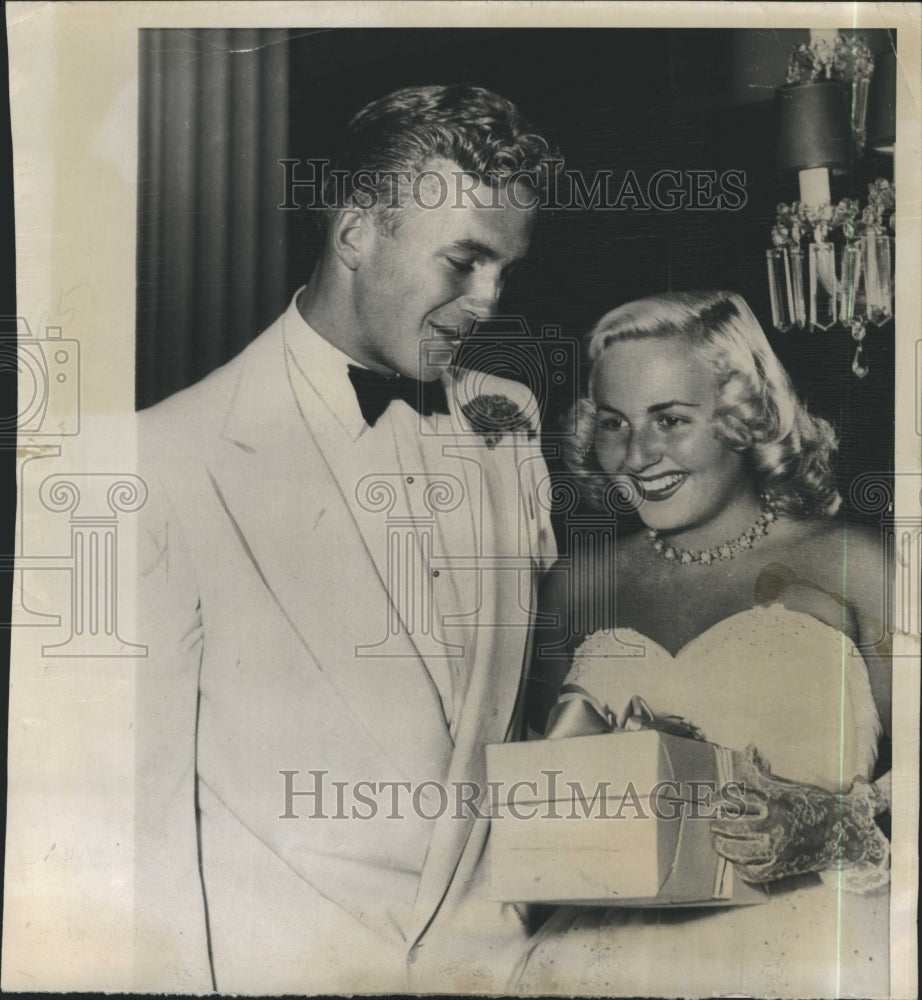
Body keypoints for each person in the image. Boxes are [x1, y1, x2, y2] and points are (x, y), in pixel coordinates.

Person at [134, 84, 559, 994]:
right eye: (464, 262)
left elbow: (504, 718)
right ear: (357, 235)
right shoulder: (163, 456)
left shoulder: (507, 419)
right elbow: (142, 823)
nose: (487, 302)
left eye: (506, 271)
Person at [517, 291, 891, 997]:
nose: (638, 455)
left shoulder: (853, 564)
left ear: (740, 416)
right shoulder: (577, 583)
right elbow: (543, 801)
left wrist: (836, 828)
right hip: (599, 959)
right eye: (614, 424)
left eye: (671, 420)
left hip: (810, 952)